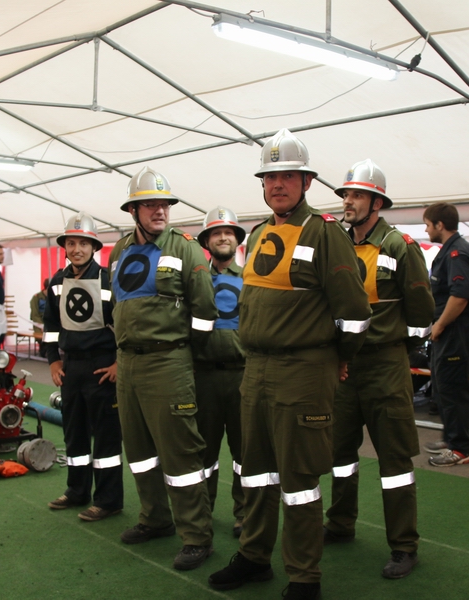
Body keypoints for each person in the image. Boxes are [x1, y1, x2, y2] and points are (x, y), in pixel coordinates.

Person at [207, 130, 371, 600]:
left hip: (303, 371)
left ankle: (304, 577)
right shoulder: (259, 234)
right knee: (255, 471)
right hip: (255, 370)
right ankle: (255, 556)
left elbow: (355, 313)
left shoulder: (324, 233)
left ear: (307, 181)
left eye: (287, 176)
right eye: (270, 177)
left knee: (298, 480)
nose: (277, 184)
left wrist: (339, 358)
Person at [322, 159, 434, 580]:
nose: (348, 202)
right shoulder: (337, 244)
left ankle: (404, 546)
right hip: (343, 368)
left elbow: (421, 314)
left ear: (377, 202)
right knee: (339, 454)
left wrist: (395, 349)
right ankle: (340, 523)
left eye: (356, 195)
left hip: (386, 366)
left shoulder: (400, 246)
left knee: (394, 458)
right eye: (346, 195)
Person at [109, 167, 218, 571]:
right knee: (139, 452)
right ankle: (155, 519)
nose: (160, 211)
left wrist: (184, 354)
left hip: (168, 362)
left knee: (180, 453)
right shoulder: (119, 251)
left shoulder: (186, 248)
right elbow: (114, 306)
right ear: (133, 210)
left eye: (164, 204)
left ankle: (197, 536)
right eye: (150, 205)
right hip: (128, 364)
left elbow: (205, 311)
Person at [43, 213, 123, 522]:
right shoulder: (56, 282)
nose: (77, 249)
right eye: (72, 243)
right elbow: (51, 326)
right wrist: (53, 359)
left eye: (83, 243)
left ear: (94, 247)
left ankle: (108, 501)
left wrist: (118, 362)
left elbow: (124, 324)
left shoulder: (108, 281)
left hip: (102, 369)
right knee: (73, 434)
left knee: (106, 437)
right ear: (65, 247)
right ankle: (77, 491)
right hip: (71, 369)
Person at [422, 203, 469, 467]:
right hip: (454, 327)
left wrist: (439, 325)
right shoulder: (453, 249)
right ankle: (451, 437)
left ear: (440, 225)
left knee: (452, 388)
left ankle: (459, 449)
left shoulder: (457, 253)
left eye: (428, 225)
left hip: (457, 327)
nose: (426, 230)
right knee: (442, 386)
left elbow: (460, 296)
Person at [194, 206, 247, 538]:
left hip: (243, 376)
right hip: (204, 378)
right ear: (206, 242)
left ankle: (244, 513)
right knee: (204, 452)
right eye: (216, 233)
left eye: (229, 232)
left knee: (245, 453)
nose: (223, 237)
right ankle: (201, 513)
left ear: (237, 240)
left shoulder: (252, 278)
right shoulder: (196, 280)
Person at [30, 278, 49, 357]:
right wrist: (41, 325)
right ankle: (43, 350)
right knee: (42, 336)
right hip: (39, 323)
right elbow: (34, 314)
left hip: (50, 322)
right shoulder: (36, 298)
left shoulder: (54, 298)